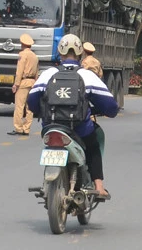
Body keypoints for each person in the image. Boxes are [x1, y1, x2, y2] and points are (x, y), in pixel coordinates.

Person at [27, 33, 118, 200]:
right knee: (94, 144)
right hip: (79, 129)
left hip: (50, 128)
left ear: (59, 53)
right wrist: (101, 110)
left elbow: (31, 102)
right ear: (80, 54)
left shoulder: (48, 74)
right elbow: (111, 107)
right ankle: (99, 187)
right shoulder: (87, 75)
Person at [9, 32, 39, 136]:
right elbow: (37, 71)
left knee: (19, 106)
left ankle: (18, 128)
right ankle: (27, 128)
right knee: (29, 107)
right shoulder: (35, 56)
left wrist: (16, 84)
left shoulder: (22, 55)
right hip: (32, 82)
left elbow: (20, 70)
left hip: (23, 81)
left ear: (22, 44)